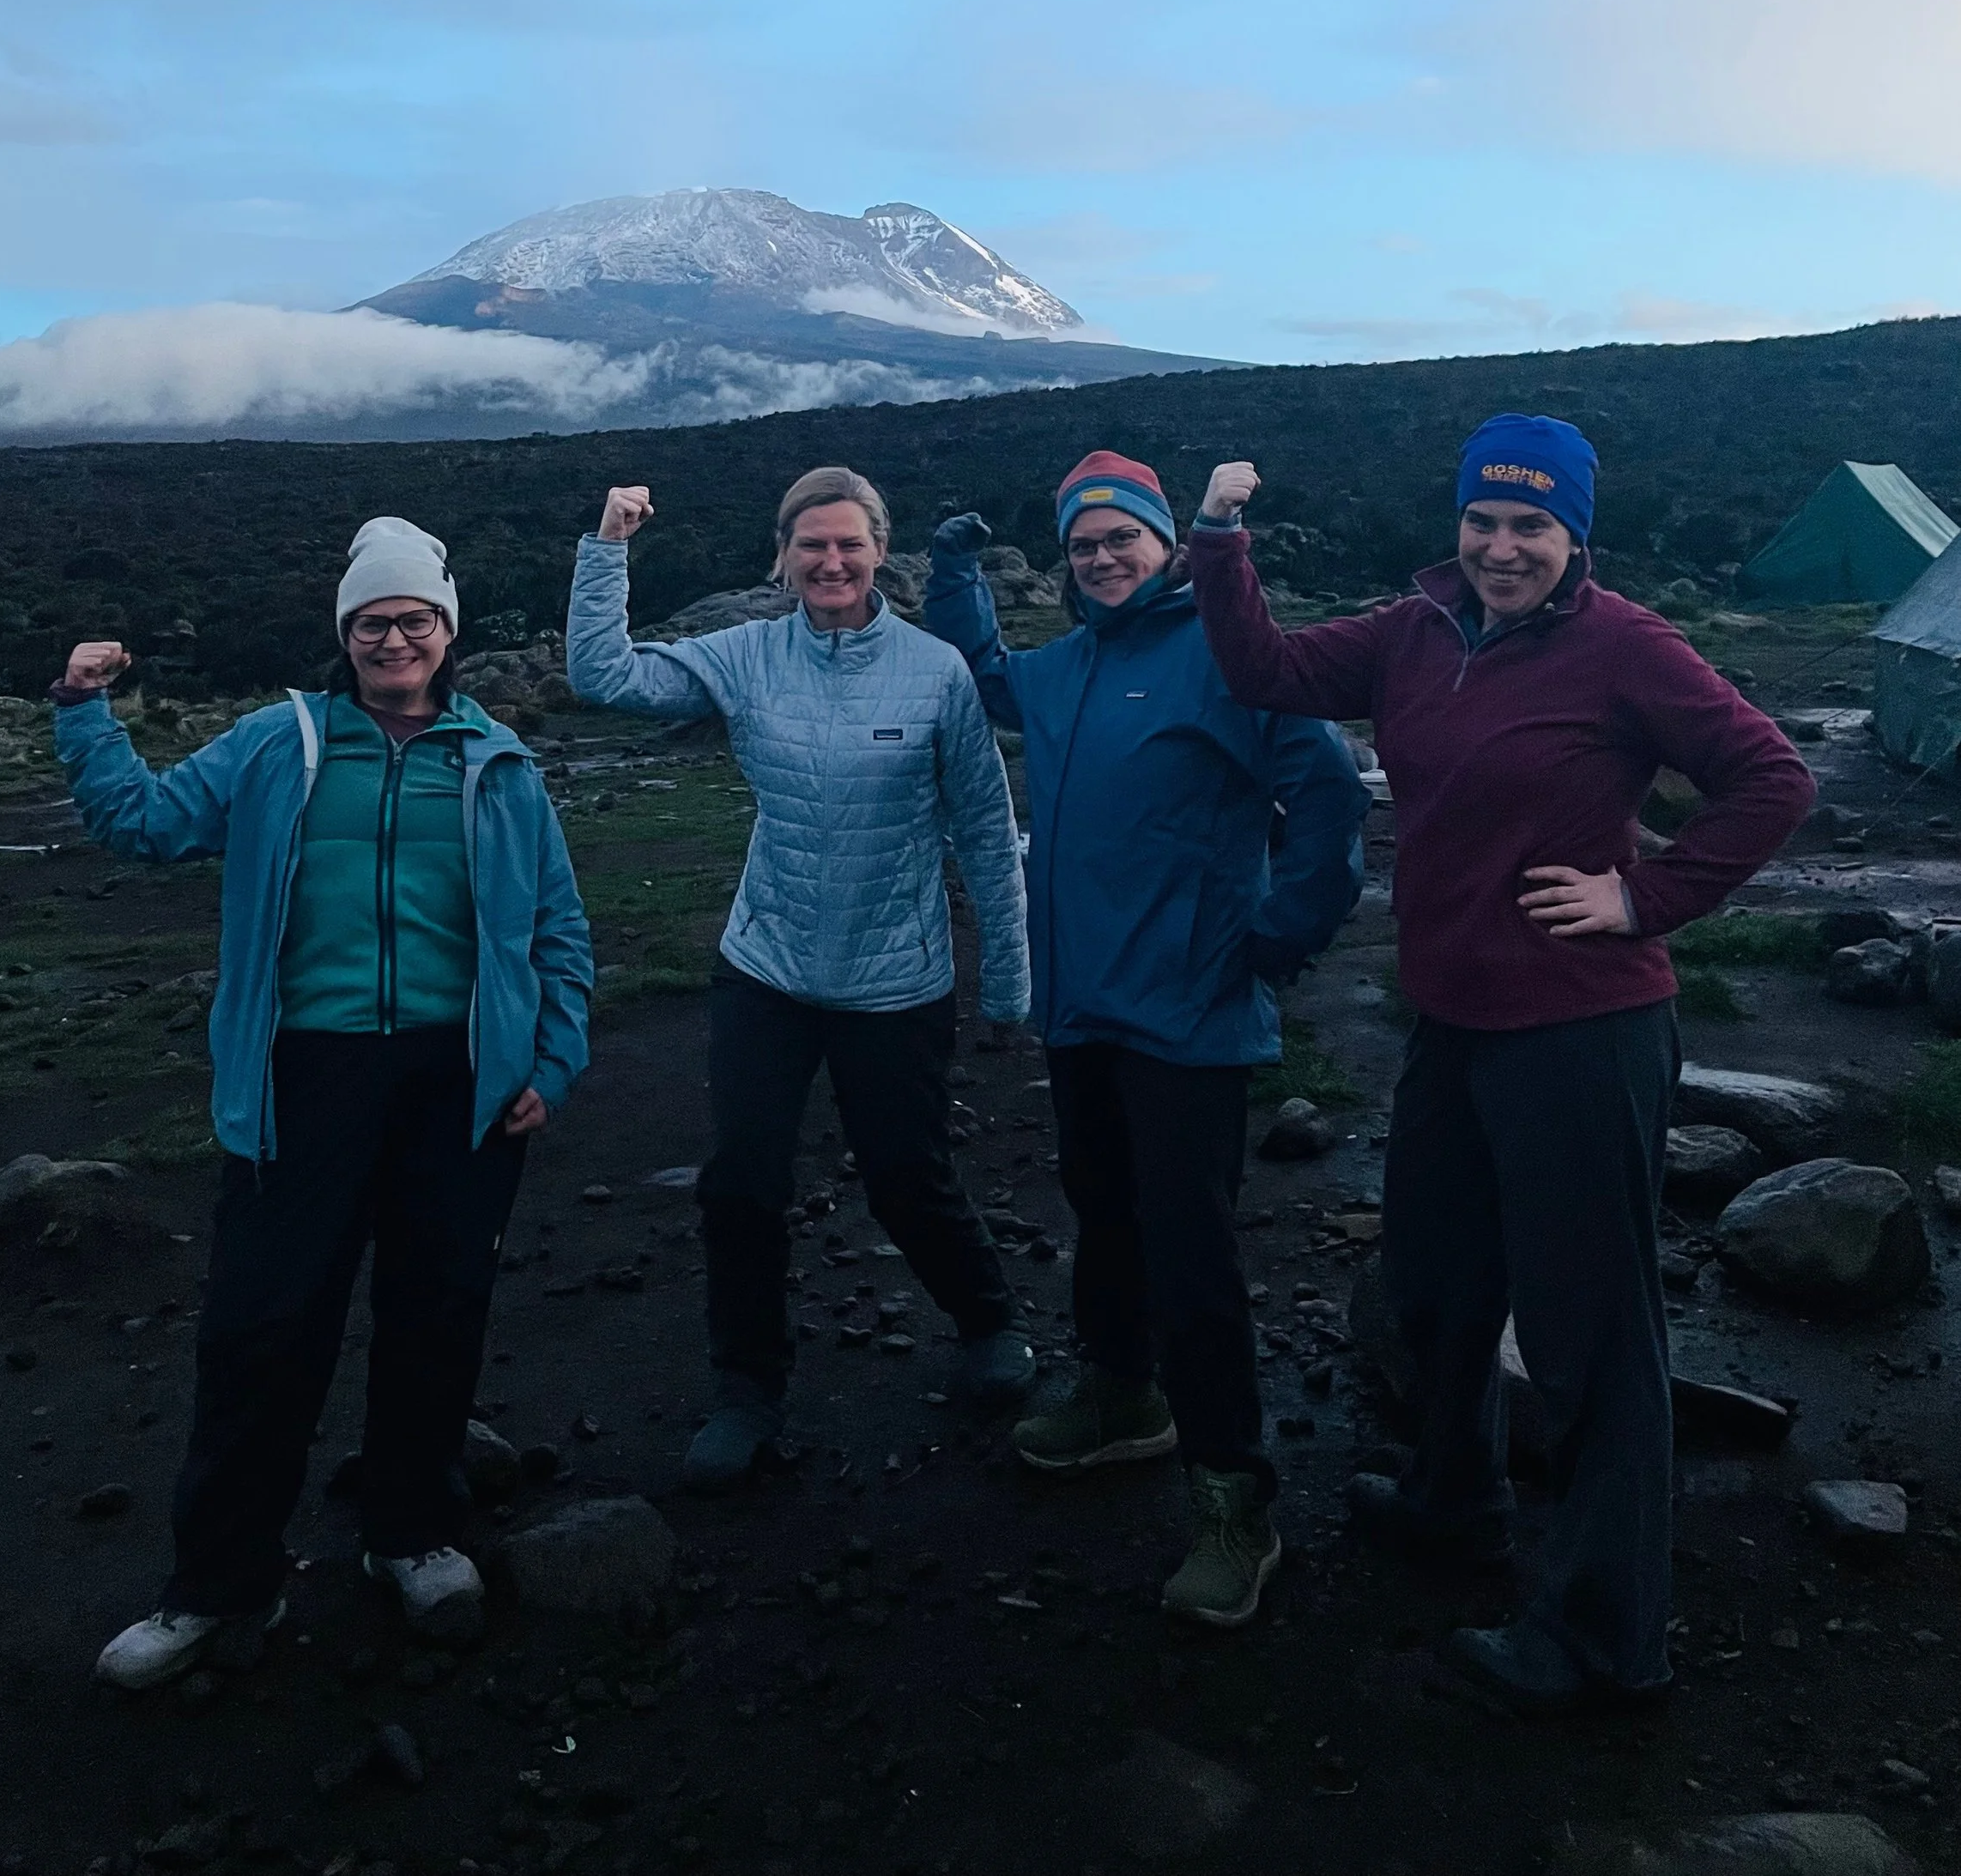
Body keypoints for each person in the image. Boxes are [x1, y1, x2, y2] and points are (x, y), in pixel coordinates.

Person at [1189, 415, 1817, 1708]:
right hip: (1456, 1021)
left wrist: (1645, 898)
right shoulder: (1411, 629)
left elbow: (1772, 776)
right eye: (1484, 520)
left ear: (1575, 536)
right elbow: (1262, 669)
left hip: (1584, 1035)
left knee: (1592, 1340)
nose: (1502, 546)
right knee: (1433, 1282)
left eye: (1532, 525)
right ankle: (1455, 1502)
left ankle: (1604, 1637)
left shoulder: (1624, 645)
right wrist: (1215, 535)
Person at [53, 516, 594, 1690]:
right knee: (261, 1330)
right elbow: (142, 825)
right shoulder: (276, 745)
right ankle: (213, 1583)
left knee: (435, 1313)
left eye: (414, 620)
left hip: (460, 1082)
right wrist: (84, 709)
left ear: (445, 633)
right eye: (371, 622)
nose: (393, 639)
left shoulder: (496, 760)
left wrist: (549, 1064)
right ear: (343, 635)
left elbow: (557, 924)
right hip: (304, 1077)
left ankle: (414, 1533)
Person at [925, 452, 1366, 1629]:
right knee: (1101, 1211)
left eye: (1125, 537)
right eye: (1084, 544)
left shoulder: (1231, 657)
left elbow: (1331, 795)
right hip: (1084, 1008)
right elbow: (980, 679)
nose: (1105, 558)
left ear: (1170, 546)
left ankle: (1236, 1501)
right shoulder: (1064, 670)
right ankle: (1124, 1394)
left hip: (1189, 1012)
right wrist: (955, 569)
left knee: (1193, 1255)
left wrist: (1279, 935)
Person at [567, 464, 1034, 1486]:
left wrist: (1007, 977)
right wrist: (608, 545)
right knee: (742, 1184)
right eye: (810, 545)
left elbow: (985, 833)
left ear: (879, 553)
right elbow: (604, 678)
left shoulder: (934, 672)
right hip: (767, 967)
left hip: (894, 980)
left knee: (907, 1177)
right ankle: (747, 1391)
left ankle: (989, 1321)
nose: (830, 561)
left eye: (849, 544)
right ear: (781, 557)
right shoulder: (743, 657)